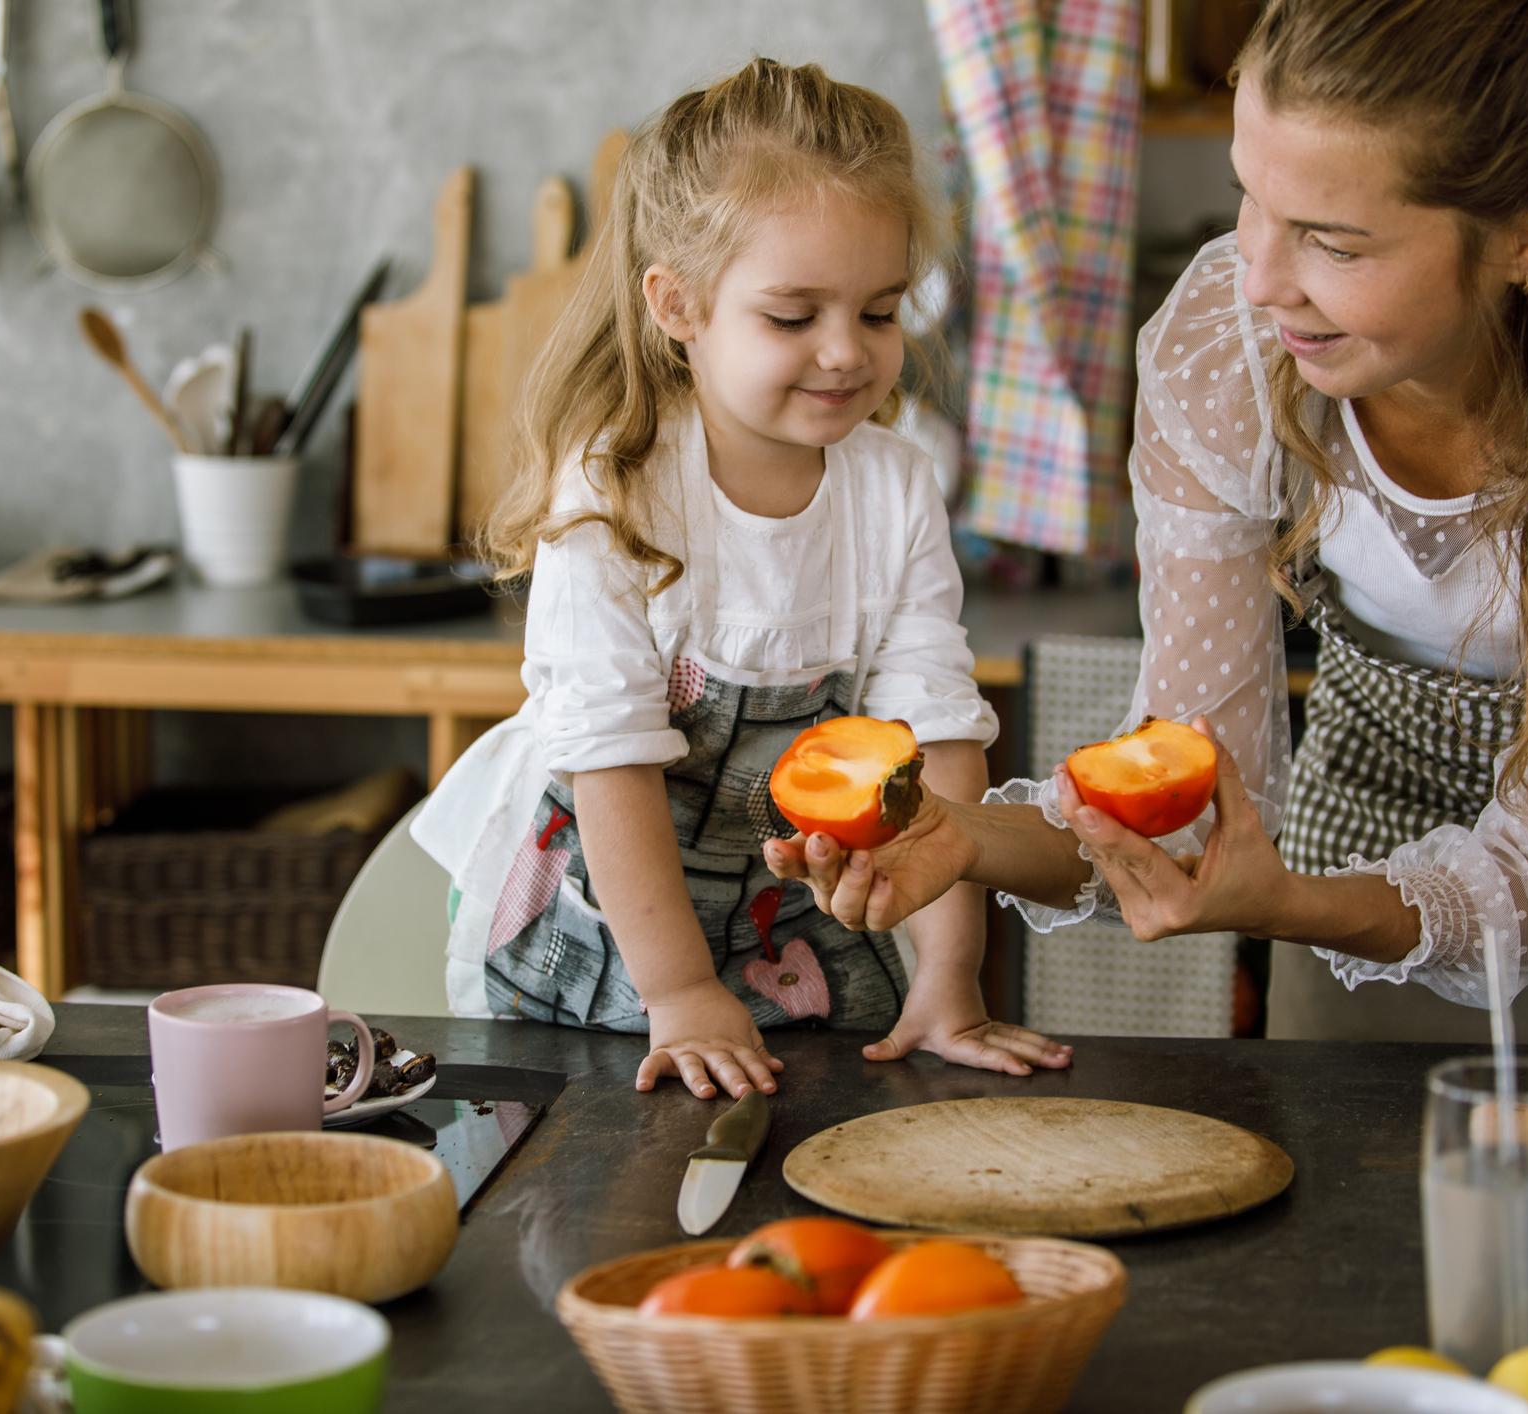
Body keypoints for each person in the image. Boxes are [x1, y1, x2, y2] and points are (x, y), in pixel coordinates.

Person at [769, 0, 1528, 1047]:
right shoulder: (1226, 352)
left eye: (1332, 242)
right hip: (1365, 799)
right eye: (1250, 200)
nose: (1260, 281)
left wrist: (1281, 905)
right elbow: (1180, 781)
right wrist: (961, 835)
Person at [411, 57, 1071, 1099]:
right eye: (793, 315)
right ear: (680, 305)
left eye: (882, 311)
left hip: (783, 922)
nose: (846, 353)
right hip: (606, 923)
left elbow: (935, 757)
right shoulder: (615, 489)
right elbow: (615, 772)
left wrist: (948, 980)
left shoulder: (894, 489)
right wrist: (676, 991)